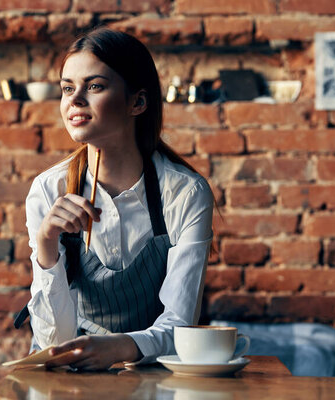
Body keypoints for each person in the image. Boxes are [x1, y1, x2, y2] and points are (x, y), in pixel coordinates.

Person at [24, 27, 214, 370]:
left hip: (155, 371)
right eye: (68, 88)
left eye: (94, 86)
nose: (74, 100)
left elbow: (181, 327)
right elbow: (54, 344)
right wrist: (46, 243)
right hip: (70, 373)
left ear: (137, 102)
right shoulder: (48, 190)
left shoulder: (185, 192)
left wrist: (121, 348)